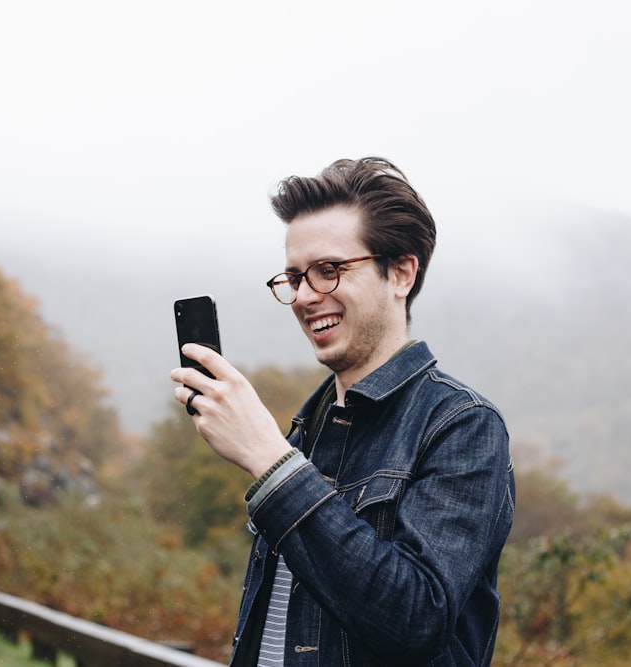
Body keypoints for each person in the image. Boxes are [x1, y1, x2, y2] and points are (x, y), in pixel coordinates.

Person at [171, 157, 515, 666]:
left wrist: (269, 460)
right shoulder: (305, 430)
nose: (305, 296)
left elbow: (415, 620)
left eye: (329, 271)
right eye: (294, 276)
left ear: (400, 273)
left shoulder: (463, 425)